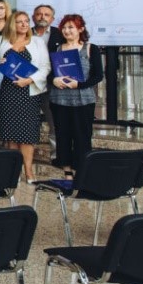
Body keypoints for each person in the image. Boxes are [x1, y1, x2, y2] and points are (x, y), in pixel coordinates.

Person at [0, 11, 50, 182]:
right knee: (11, 135)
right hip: (8, 93)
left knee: (27, 136)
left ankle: (29, 172)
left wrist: (29, 80)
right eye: (19, 22)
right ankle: (15, 171)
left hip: (28, 92)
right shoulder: (0, 41)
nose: (24, 24)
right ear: (12, 24)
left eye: (26, 21)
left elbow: (46, 67)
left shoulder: (38, 42)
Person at [49, 14, 104, 179]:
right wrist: (53, 79)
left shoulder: (90, 48)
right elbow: (49, 72)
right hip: (59, 100)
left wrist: (79, 85)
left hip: (83, 100)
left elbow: (98, 75)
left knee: (82, 136)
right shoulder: (57, 49)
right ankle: (66, 168)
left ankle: (82, 169)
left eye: (71, 27)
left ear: (80, 29)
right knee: (62, 135)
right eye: (64, 28)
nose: (67, 31)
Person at [32, 3, 61, 159]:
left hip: (51, 85)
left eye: (46, 14)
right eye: (39, 14)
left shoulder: (60, 34)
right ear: (33, 17)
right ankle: (28, 154)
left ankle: (56, 156)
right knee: (28, 121)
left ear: (52, 19)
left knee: (54, 121)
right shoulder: (25, 33)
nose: (42, 17)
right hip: (29, 84)